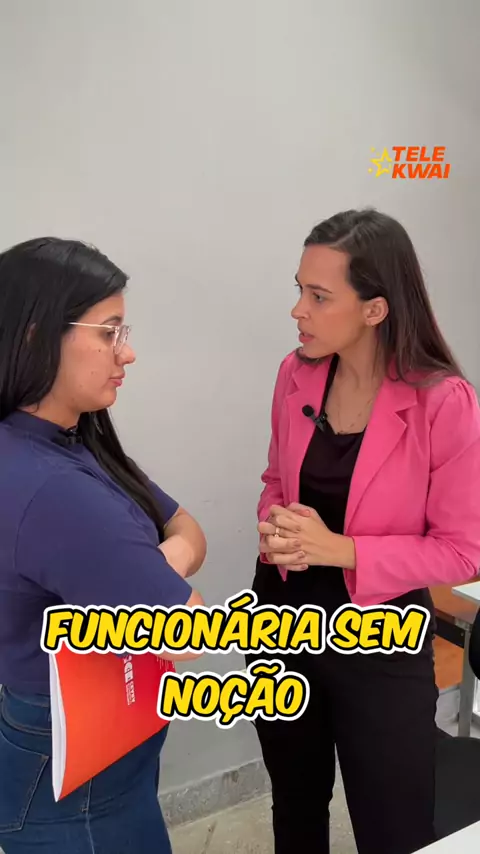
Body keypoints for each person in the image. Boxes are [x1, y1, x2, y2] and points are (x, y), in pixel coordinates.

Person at [247, 208, 480, 854]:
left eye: (319, 296)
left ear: (375, 309)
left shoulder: (443, 402)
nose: (298, 310)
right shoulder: (296, 373)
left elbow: (462, 551)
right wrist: (275, 523)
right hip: (280, 619)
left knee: (392, 821)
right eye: (299, 289)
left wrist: (342, 550)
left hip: (379, 638)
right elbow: (276, 478)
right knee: (296, 800)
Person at [0, 237, 207, 853]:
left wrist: (156, 564)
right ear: (37, 337)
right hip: (74, 771)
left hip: (82, 744)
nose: (128, 353)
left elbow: (186, 526)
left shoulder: (70, 438)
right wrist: (159, 571)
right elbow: (187, 631)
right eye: (109, 332)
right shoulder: (55, 492)